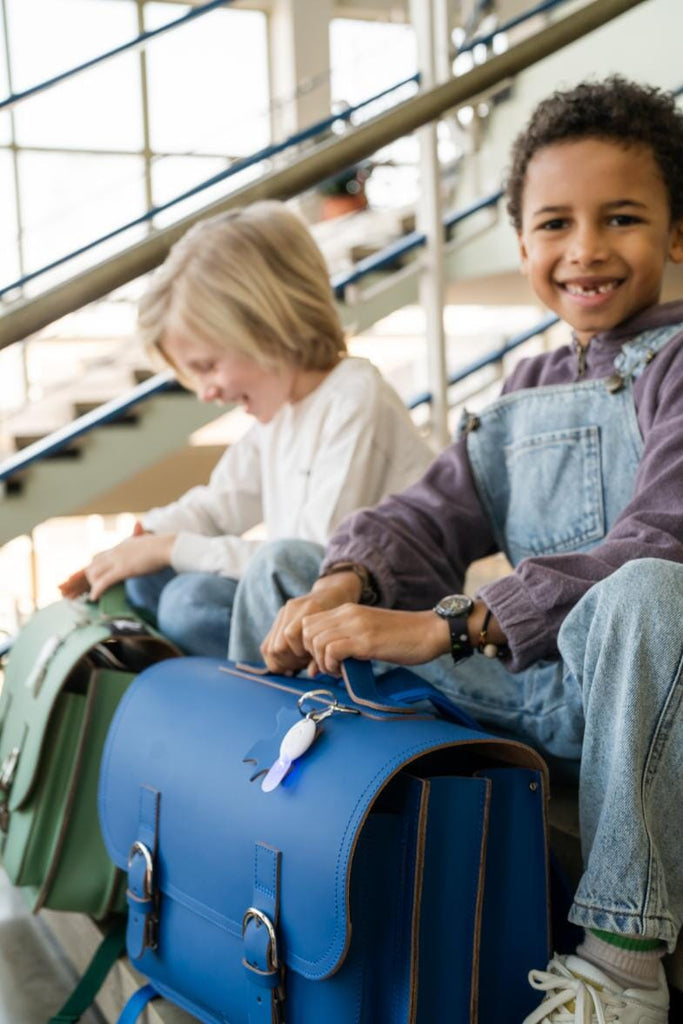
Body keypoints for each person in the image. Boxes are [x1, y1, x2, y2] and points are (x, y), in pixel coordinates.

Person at [227, 78, 683, 1022]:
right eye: (553, 223)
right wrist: (345, 582)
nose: (585, 249)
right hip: (536, 691)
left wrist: (454, 624)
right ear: (520, 244)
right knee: (287, 567)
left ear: (677, 234)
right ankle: (260, 849)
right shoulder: (522, 387)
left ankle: (620, 968)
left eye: (623, 218)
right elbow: (424, 516)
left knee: (648, 587)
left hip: (643, 700)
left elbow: (661, 532)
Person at [59, 201, 434, 658]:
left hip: (364, 619)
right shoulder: (281, 412)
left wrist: (170, 547)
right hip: (295, 600)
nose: (205, 391)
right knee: (147, 579)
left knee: (188, 603)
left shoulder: (355, 398)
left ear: (269, 325)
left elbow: (312, 566)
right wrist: (141, 540)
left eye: (207, 366)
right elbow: (218, 508)